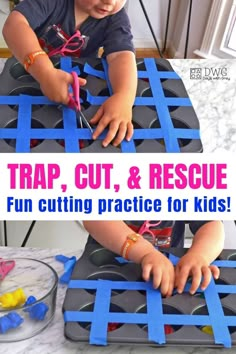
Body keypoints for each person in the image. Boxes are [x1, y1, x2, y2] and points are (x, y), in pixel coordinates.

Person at [2, 0, 137, 147]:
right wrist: (45, 73)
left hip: (78, 90)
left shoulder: (115, 17)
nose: (110, 1)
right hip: (30, 79)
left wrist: (124, 95)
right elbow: (13, 25)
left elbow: (120, 56)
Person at [83, 220, 225, 297]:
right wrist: (145, 253)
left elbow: (212, 224)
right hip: (107, 270)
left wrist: (199, 255)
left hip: (165, 276)